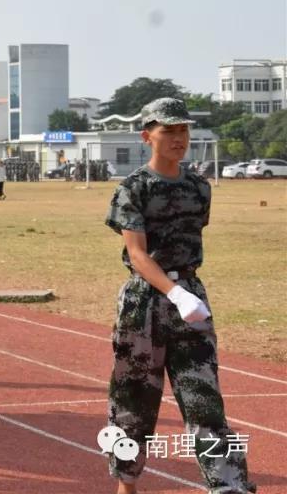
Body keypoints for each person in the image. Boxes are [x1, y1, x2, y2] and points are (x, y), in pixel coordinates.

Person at [104, 98, 255, 494]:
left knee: (206, 402)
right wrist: (174, 293)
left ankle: (230, 487)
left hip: (191, 298)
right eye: (168, 131)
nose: (178, 138)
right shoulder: (132, 189)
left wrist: (186, 294)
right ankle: (127, 483)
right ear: (147, 135)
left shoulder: (199, 187)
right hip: (145, 304)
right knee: (134, 401)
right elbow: (137, 255)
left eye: (183, 130)